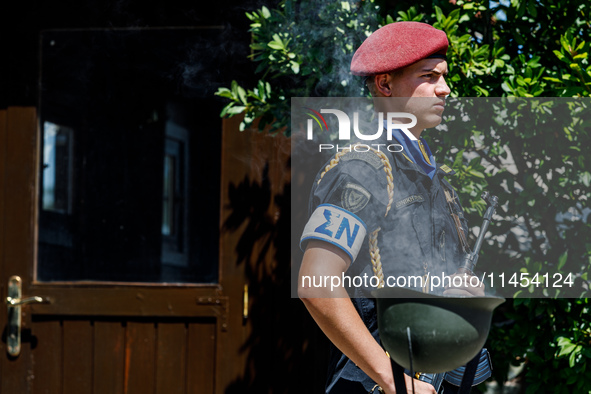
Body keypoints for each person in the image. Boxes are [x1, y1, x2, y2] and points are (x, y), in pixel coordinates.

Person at [297, 22, 485, 394]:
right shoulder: (364, 168)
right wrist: (391, 379)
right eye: (428, 77)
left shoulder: (430, 175)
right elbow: (315, 282)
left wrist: (459, 291)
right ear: (385, 85)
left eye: (443, 77)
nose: (444, 89)